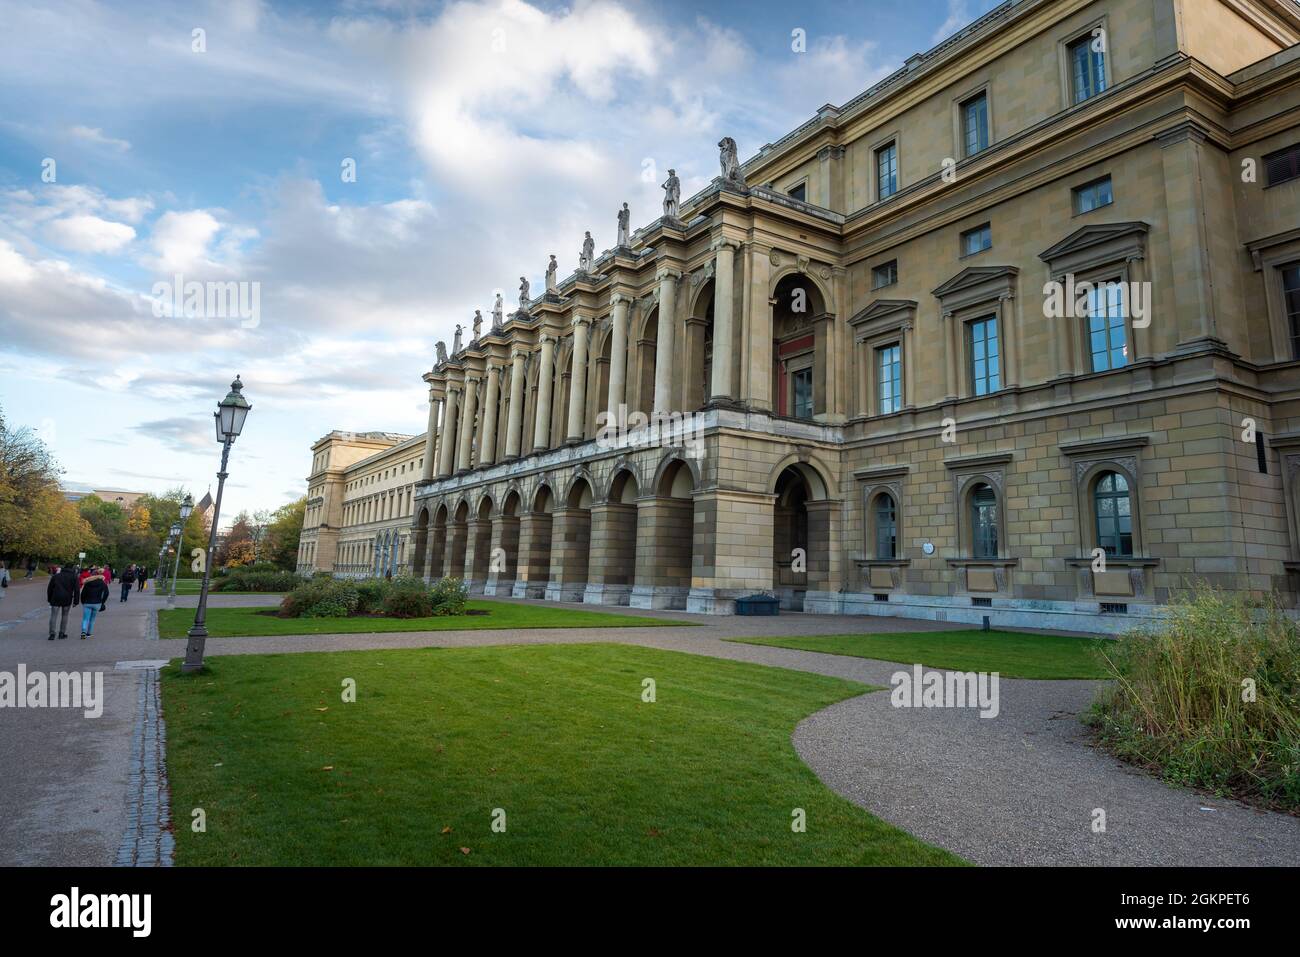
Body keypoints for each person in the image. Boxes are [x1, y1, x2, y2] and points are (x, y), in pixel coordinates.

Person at [47, 565, 79, 640]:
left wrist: (49, 599)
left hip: (55, 597)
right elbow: (76, 590)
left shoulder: (56, 576)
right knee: (65, 616)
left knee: (53, 616)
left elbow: (50, 588)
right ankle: (62, 633)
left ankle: (52, 634)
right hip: (67, 598)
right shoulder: (74, 577)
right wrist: (76, 601)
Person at [79, 569, 109, 639]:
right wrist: (102, 602)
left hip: (87, 602)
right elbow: (106, 593)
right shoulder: (102, 583)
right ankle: (89, 633)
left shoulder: (88, 583)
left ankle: (83, 632)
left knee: (85, 619)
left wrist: (83, 601)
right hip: (97, 603)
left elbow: (83, 594)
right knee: (92, 619)